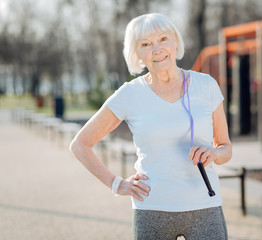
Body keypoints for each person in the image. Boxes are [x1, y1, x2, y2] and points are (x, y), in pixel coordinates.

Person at [70, 13, 232, 240]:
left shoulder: (206, 86)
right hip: (151, 210)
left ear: (175, 41)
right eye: (146, 44)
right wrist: (117, 184)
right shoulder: (130, 94)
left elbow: (225, 149)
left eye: (163, 39)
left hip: (205, 207)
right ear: (137, 54)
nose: (157, 50)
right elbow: (80, 145)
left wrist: (214, 152)